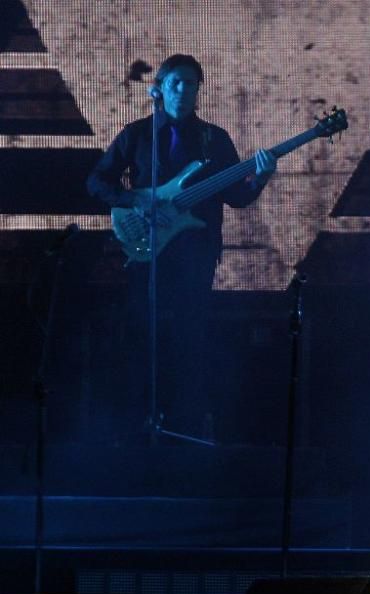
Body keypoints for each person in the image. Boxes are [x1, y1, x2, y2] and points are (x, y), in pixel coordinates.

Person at [87, 53, 277, 438]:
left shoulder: (214, 139)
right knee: (143, 333)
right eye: (176, 82)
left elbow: (236, 196)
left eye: (191, 84)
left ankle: (185, 425)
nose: (184, 90)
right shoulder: (137, 134)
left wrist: (259, 179)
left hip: (196, 254)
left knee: (191, 337)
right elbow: (97, 182)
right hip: (147, 252)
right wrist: (137, 200)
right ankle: (137, 423)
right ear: (159, 88)